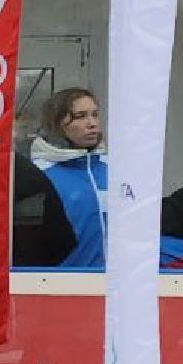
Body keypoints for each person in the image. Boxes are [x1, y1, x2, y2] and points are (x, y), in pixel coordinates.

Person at [28, 88, 107, 270]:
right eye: (80, 116)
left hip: (115, 288)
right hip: (60, 285)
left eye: (95, 115)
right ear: (57, 124)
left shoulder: (114, 170)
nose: (92, 123)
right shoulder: (39, 173)